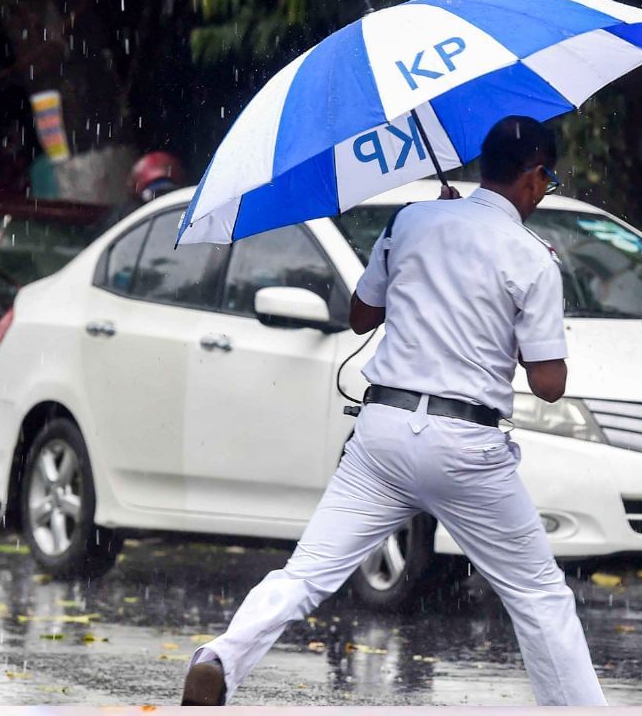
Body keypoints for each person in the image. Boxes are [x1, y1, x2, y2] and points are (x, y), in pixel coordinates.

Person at [181, 115, 604, 706]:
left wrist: (427, 246)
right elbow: (550, 383)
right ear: (534, 177)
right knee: (539, 596)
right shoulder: (532, 257)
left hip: (382, 435)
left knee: (306, 575)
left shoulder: (411, 221)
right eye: (547, 181)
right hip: (466, 447)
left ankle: (222, 656)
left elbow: (361, 316)